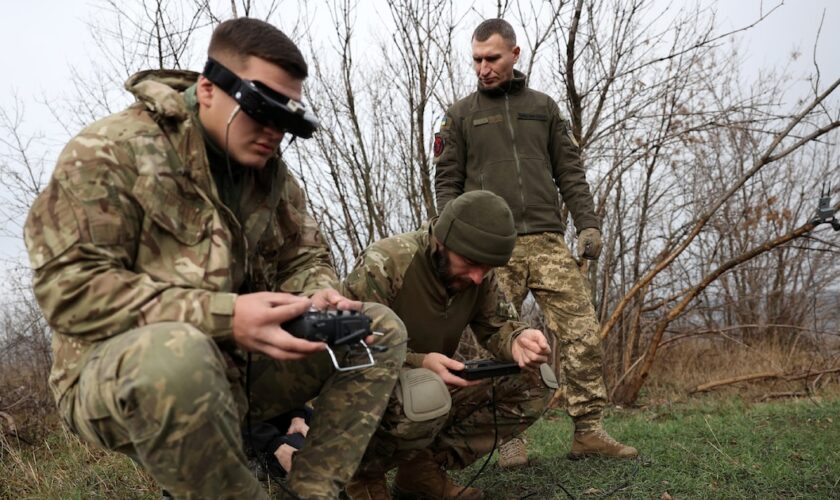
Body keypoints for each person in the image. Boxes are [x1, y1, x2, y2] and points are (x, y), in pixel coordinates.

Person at [23, 18, 406, 499]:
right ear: (208, 88)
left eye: (286, 121)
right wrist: (224, 317)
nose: (273, 133)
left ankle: (309, 492)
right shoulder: (111, 152)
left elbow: (303, 256)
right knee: (180, 359)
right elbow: (68, 291)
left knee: (375, 329)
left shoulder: (272, 179)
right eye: (260, 109)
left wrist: (315, 295)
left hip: (239, 367)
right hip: (118, 375)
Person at [433, 18, 636, 463]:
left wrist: (588, 224)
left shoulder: (543, 107)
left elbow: (570, 172)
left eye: (492, 58)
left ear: (515, 54)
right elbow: (447, 182)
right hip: (490, 249)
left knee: (581, 332)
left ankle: (588, 431)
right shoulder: (460, 114)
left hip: (546, 240)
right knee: (504, 342)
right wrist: (449, 238)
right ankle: (509, 438)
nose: (483, 68)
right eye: (477, 60)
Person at [341, 191, 556, 500]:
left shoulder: (479, 277)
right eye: (470, 263)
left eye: (486, 267)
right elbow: (347, 350)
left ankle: (419, 471)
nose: (478, 277)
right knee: (425, 390)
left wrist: (518, 339)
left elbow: (497, 326)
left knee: (536, 379)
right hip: (366, 393)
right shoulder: (387, 262)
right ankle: (362, 476)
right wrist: (419, 362)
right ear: (442, 241)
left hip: (430, 389)